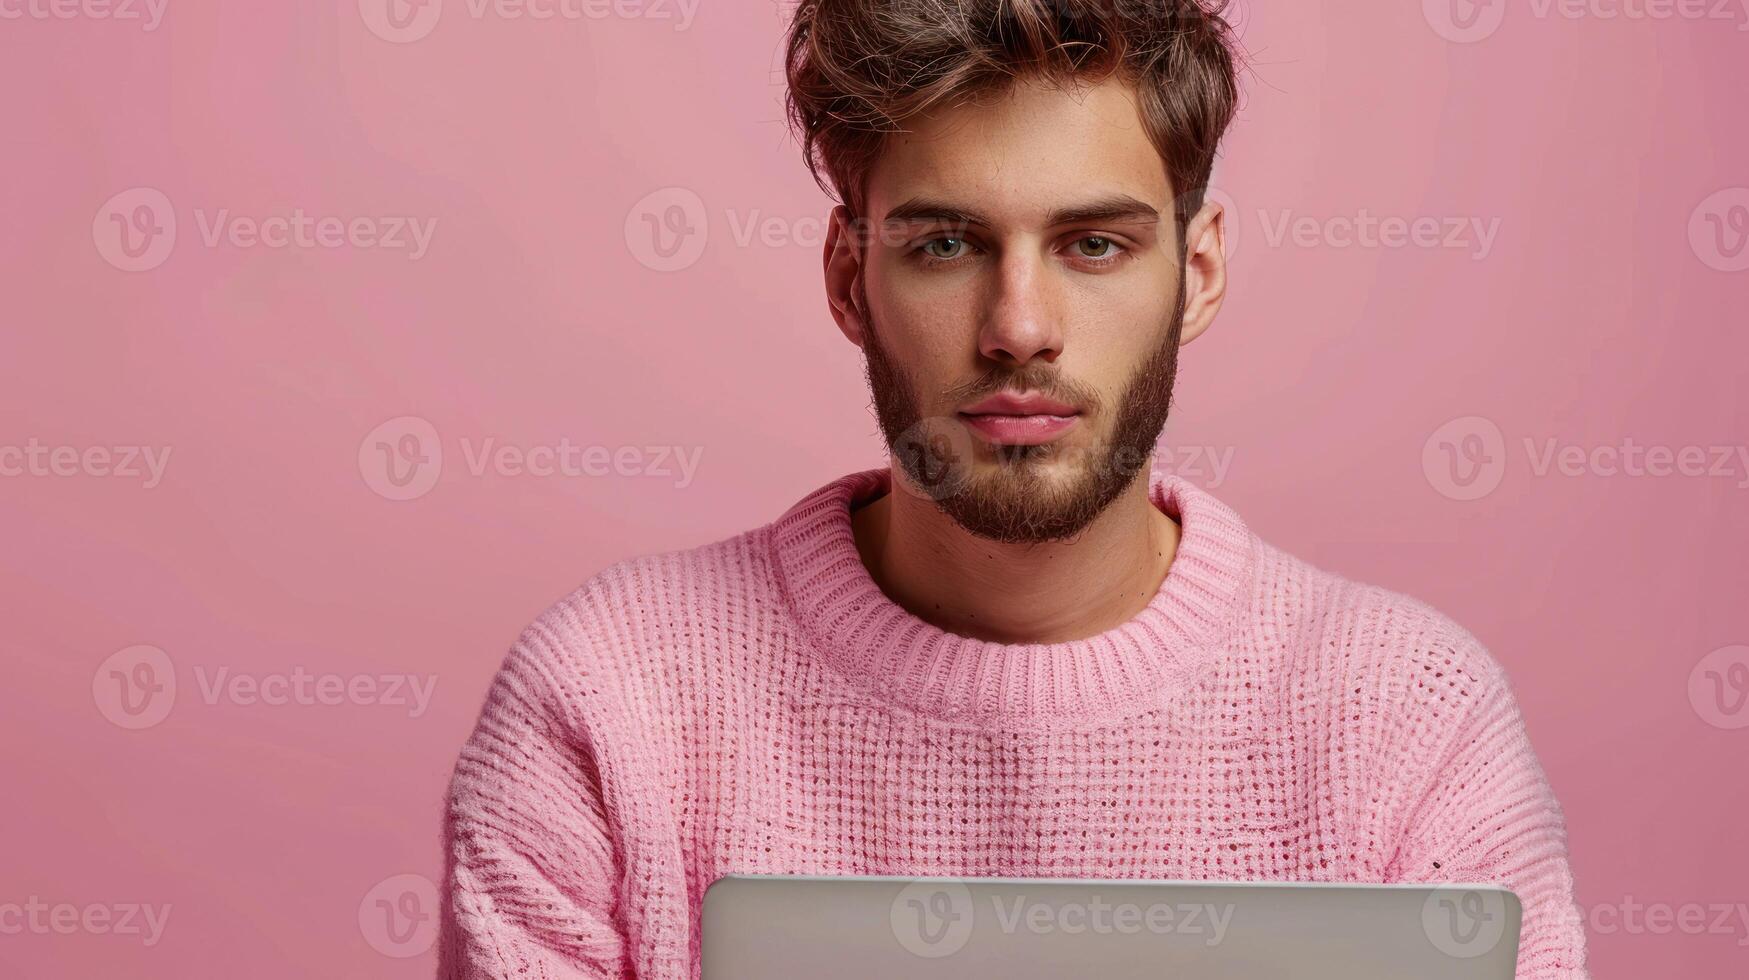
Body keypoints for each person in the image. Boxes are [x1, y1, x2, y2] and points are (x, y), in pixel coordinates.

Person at [438, 2, 1588, 977]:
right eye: (947, 244)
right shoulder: (603, 704)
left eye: (1094, 245)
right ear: (850, 276)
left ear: (1196, 272)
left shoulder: (1411, 721)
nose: (1020, 328)